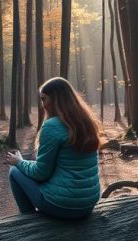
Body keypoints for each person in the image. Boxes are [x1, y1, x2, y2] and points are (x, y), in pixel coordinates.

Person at [6, 77, 102, 219]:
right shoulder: (86, 121)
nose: (42, 104)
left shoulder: (52, 126)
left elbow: (41, 173)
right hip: (88, 204)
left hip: (62, 206)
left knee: (14, 170)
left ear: (56, 100)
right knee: (26, 166)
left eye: (44, 99)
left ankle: (27, 220)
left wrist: (19, 161)